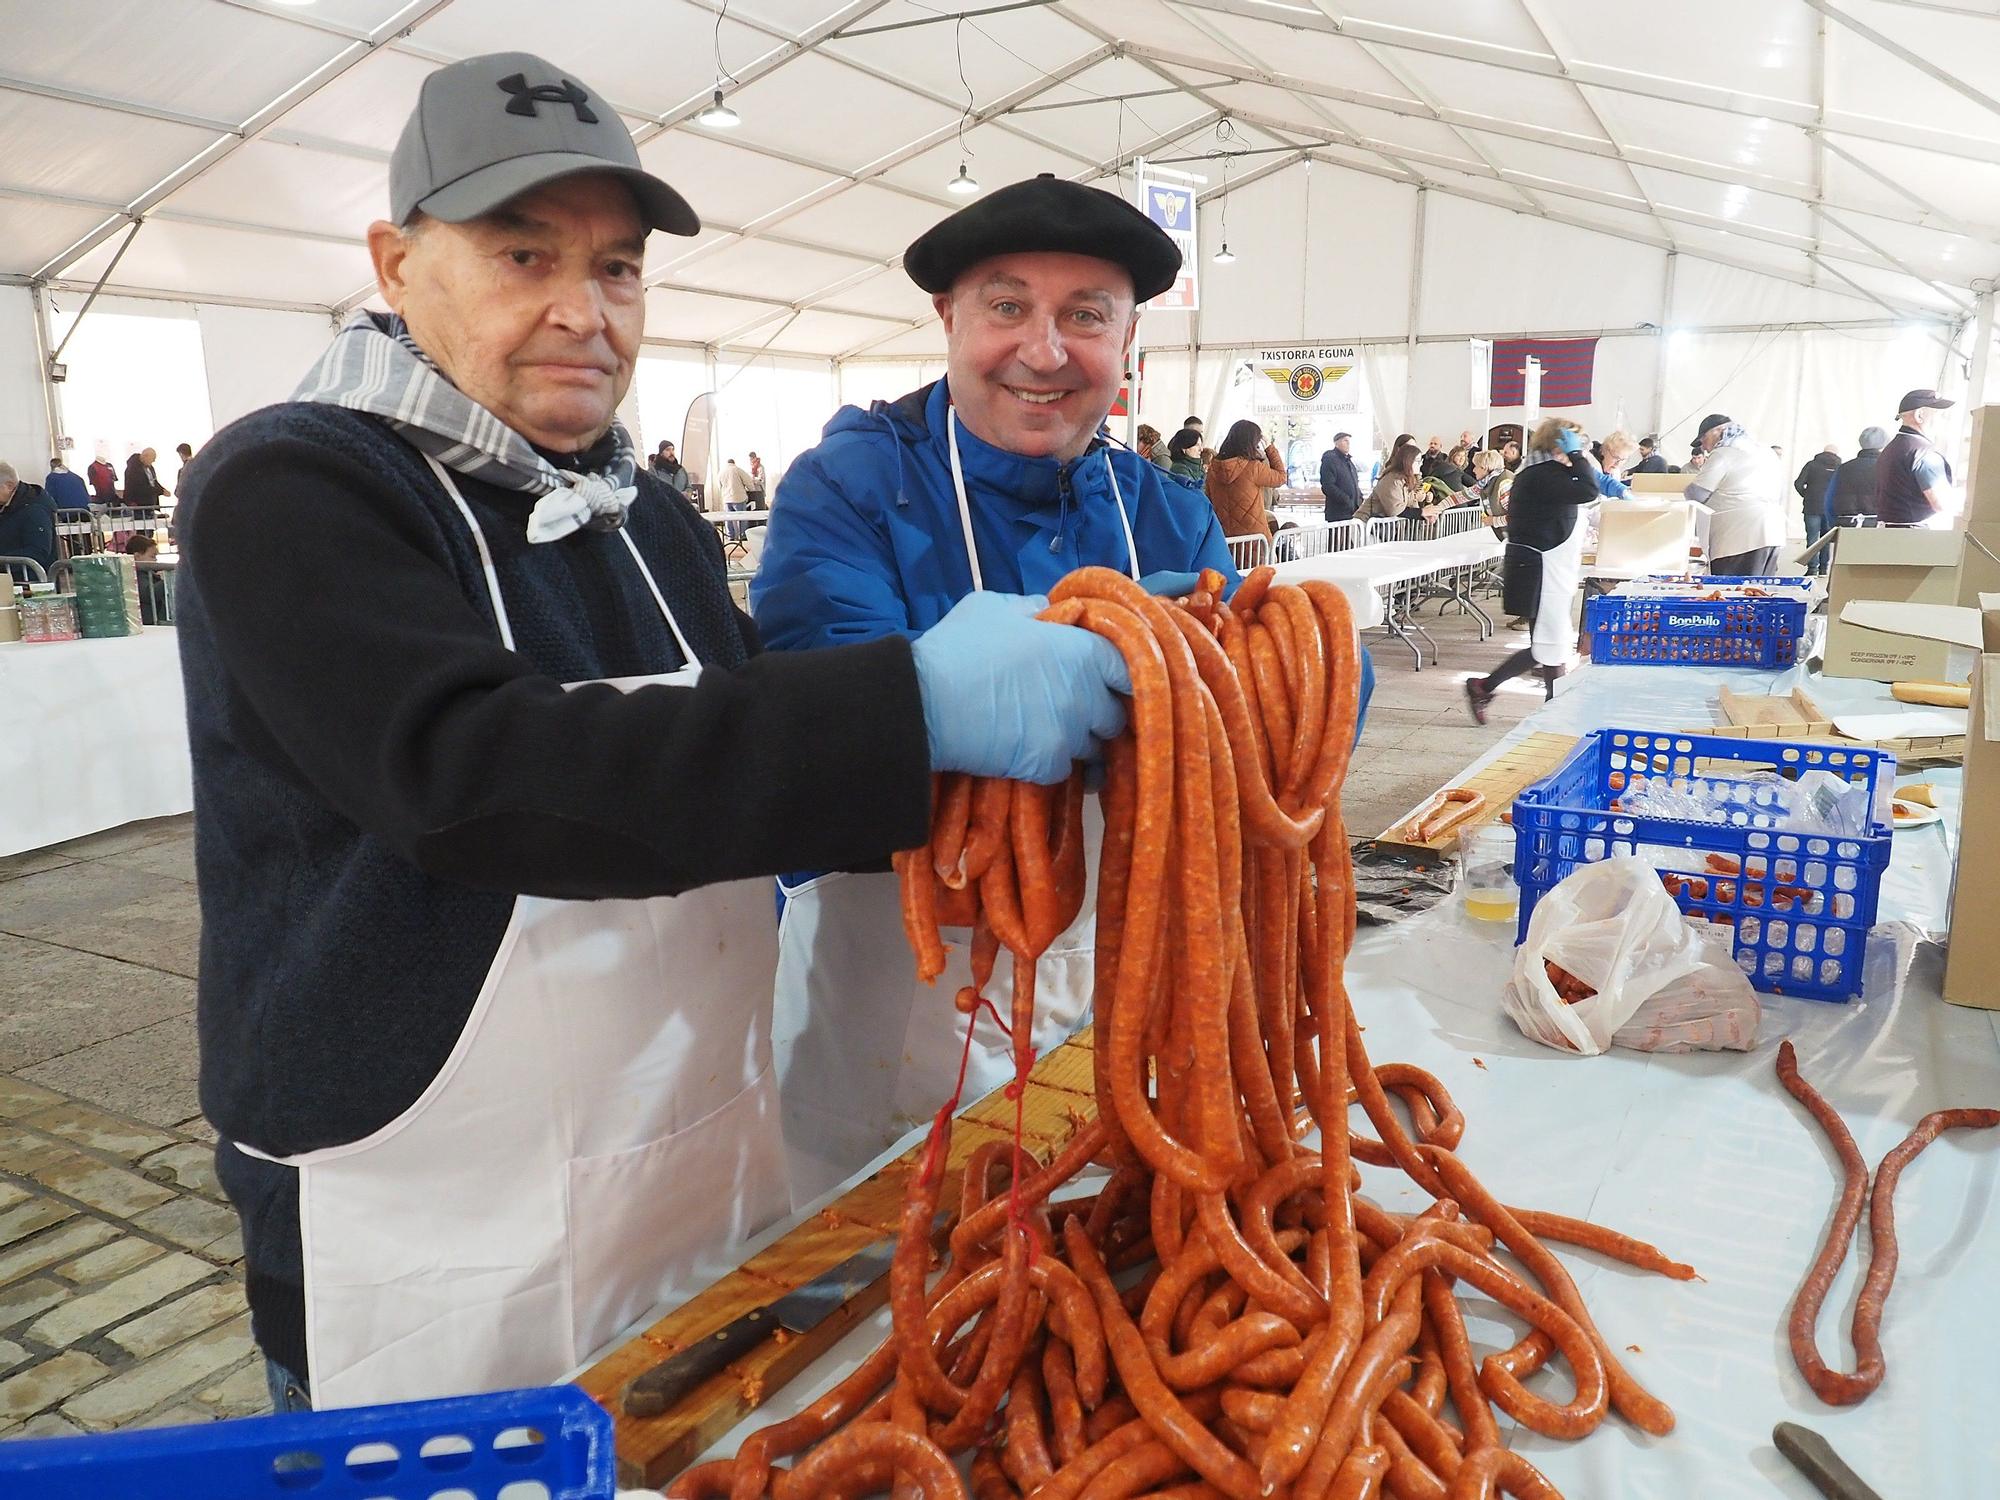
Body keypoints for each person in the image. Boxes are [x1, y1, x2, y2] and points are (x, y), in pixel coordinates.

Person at [174, 51, 1134, 1415]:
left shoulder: (647, 520)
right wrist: (915, 703)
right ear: (395, 262)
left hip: (680, 1178)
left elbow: (748, 769)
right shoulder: (294, 484)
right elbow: (480, 776)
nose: (583, 312)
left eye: (617, 269)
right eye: (523, 256)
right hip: (422, 1220)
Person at [750, 173, 1265, 1199]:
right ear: (947, 318)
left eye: (1084, 317)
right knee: (887, 1269)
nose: (1043, 350)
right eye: (1006, 307)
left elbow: (1262, 715)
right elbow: (829, 702)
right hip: (906, 978)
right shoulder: (851, 486)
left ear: (1127, 348)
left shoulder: (1162, 512)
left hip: (1121, 963)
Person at [1464, 419, 1602, 722]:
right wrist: (1577, 457)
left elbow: (1593, 484)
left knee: (1548, 642)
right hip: (1539, 568)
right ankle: (1550, 705)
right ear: (1559, 443)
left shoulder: (1545, 472)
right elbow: (1589, 489)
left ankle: (1494, 689)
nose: (1580, 450)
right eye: (1575, 443)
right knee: (1548, 642)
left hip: (1545, 566)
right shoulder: (1540, 474)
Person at [1684, 413, 1785, 575]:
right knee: (1759, 592)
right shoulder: (1766, 451)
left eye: (1703, 439)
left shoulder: (1724, 453)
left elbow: (1696, 494)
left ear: (1717, 431)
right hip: (1773, 531)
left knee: (1733, 594)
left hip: (1737, 538)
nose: (1703, 447)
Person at [1875, 389, 1959, 527]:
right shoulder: (1925, 453)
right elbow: (1942, 504)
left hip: (1890, 534)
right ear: (1920, 415)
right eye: (1940, 414)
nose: (1945, 420)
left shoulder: (1890, 449)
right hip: (1916, 537)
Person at [1204, 419, 1287, 539]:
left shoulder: (1213, 469)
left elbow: (1209, 498)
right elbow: (1281, 477)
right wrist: (1269, 447)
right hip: (1255, 538)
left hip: (1224, 537)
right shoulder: (1253, 468)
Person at [0, 461, 57, 580]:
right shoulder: (7, 505)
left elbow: (38, 551)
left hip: (29, 582)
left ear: (9, 486)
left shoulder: (34, 510)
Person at [1794, 444, 1842, 573]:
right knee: (1825, 539)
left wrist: (1807, 495)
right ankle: (1823, 569)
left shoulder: (1811, 465)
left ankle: (1812, 569)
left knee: (1812, 539)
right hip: (1830, 509)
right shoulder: (1840, 467)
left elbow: (1798, 483)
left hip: (1811, 506)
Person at [1829, 426, 1888, 529]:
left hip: (1847, 525)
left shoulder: (1843, 468)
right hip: (1880, 526)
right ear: (1884, 444)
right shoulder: (1890, 468)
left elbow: (1829, 500)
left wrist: (1834, 522)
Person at [1364, 440, 1423, 518]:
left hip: (1382, 527)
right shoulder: (1392, 480)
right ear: (1408, 461)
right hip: (1367, 526)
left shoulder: (1406, 480)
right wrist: (1422, 512)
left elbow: (1412, 504)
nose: (1421, 464)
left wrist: (1425, 514)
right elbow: (1394, 510)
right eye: (1418, 461)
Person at [125, 533, 169, 624]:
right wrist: (165, 580)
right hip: (149, 621)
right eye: (152, 556)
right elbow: (148, 594)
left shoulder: (148, 573)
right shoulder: (136, 575)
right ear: (137, 556)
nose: (155, 560)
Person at [1319, 430, 1361, 522]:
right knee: (1337, 536)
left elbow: (1355, 484)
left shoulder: (1349, 462)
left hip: (1351, 511)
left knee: (1348, 536)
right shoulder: (1330, 459)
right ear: (1336, 443)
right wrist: (1346, 500)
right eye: (1345, 440)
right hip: (1337, 512)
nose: (1348, 443)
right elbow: (1328, 486)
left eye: (1349, 441)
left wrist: (1359, 500)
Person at [123, 447, 168, 513]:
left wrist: (162, 489)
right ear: (145, 456)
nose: (154, 461)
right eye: (152, 458)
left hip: (150, 503)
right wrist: (160, 491)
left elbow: (154, 481)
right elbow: (140, 487)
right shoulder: (133, 469)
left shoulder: (150, 467)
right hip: (139, 504)